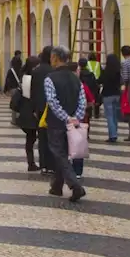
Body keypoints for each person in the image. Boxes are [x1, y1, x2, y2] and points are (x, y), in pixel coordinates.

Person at [42, 46, 87, 202]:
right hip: (73, 124)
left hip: (57, 123)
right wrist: (76, 118)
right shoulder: (76, 78)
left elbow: (52, 102)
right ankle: (56, 186)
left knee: (59, 154)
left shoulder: (50, 78)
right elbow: (83, 100)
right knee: (61, 155)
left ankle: (75, 186)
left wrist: (66, 117)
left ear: (55, 57)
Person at [16, 57, 42, 170]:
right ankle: (32, 163)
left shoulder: (24, 77)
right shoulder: (29, 79)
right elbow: (31, 95)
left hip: (26, 111)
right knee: (32, 138)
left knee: (30, 139)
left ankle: (31, 163)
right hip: (31, 111)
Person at [99, 54, 123, 143]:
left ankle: (112, 135)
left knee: (109, 116)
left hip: (107, 94)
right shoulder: (118, 72)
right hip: (117, 94)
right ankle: (115, 133)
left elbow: (100, 80)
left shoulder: (106, 71)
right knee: (115, 116)